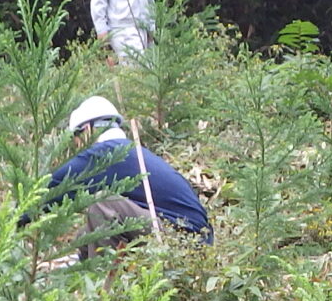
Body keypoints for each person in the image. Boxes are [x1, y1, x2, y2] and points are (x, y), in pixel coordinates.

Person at [35, 95, 210, 255]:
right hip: (195, 237)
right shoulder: (132, 152)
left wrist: (14, 218)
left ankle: (104, 282)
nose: (78, 145)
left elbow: (54, 187)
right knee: (86, 235)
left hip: (184, 239)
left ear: (87, 129)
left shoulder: (106, 153)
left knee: (102, 204)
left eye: (77, 139)